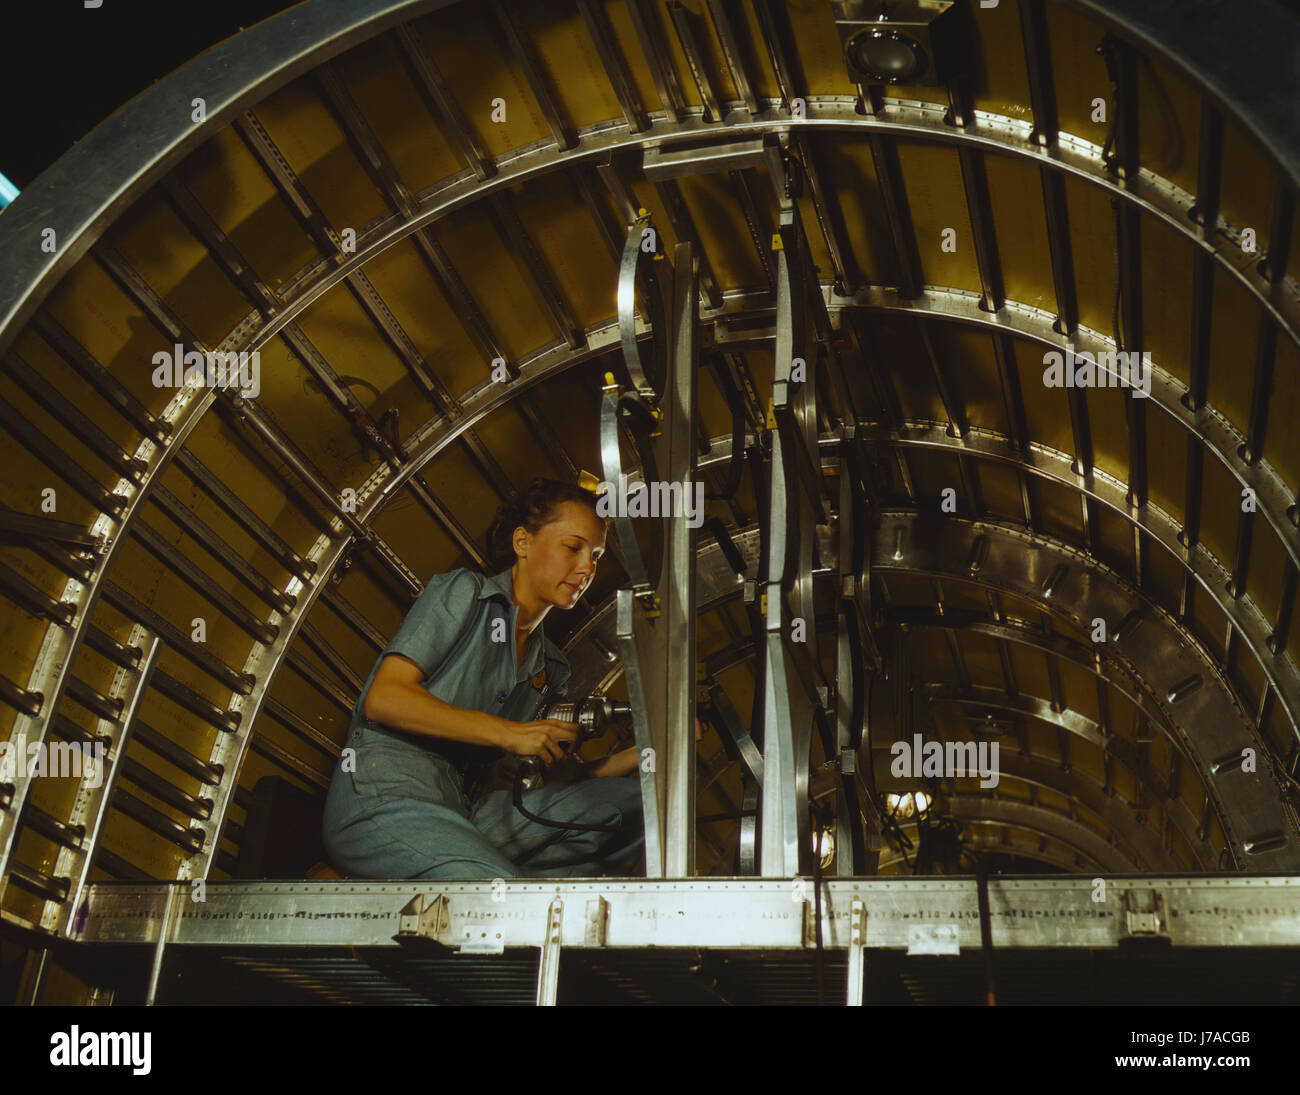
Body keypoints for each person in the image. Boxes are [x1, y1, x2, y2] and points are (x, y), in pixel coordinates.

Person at [321, 477, 646, 879]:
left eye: (595, 556)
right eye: (573, 547)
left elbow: (562, 780)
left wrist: (650, 752)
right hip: (385, 790)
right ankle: (411, 865)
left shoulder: (551, 667)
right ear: (523, 543)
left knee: (633, 806)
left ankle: (476, 875)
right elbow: (384, 698)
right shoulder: (465, 594)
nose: (587, 568)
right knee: (497, 894)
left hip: (463, 809)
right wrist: (508, 732)